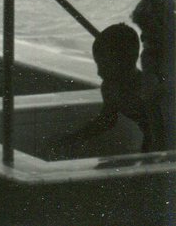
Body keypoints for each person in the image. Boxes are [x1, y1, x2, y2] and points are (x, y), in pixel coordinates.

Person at [52, 23, 164, 156]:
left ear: (125, 61)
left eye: (104, 65)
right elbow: (107, 120)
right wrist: (74, 138)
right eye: (98, 64)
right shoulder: (109, 87)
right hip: (152, 136)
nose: (99, 73)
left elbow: (160, 129)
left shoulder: (147, 88)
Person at [130, 0, 176, 151]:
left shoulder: (154, 57)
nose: (142, 37)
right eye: (142, 30)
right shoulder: (150, 57)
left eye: (150, 31)